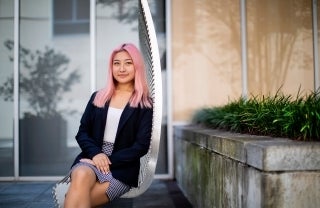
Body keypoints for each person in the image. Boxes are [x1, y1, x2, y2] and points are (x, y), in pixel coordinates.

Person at [64, 43, 153, 208]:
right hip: (92, 157)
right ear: (111, 67)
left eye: (128, 62)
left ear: (137, 67)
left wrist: (108, 160)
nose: (122, 68)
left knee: (73, 199)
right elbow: (82, 133)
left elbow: (141, 146)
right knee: (81, 175)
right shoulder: (98, 97)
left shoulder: (144, 104)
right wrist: (97, 155)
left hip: (122, 168)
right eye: (116, 63)